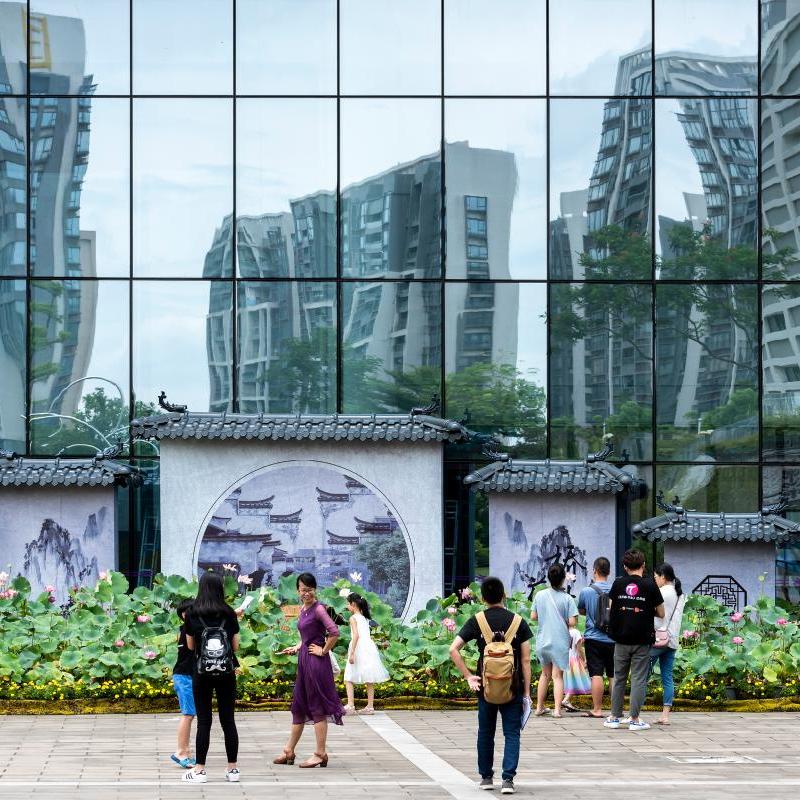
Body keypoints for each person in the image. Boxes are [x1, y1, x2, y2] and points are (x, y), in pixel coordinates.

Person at [450, 576, 532, 795]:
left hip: (485, 687)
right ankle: (508, 780)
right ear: (504, 595)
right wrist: (526, 693)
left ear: (483, 598)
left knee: (486, 732)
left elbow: (453, 649)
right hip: (512, 687)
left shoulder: (477, 620)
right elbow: (525, 661)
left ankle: (486, 777)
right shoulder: (518, 622)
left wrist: (469, 676)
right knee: (512, 733)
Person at [274, 572, 344, 769]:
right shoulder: (303, 609)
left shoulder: (319, 609)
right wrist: (297, 647)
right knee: (299, 706)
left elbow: (334, 632)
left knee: (316, 706)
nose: (306, 593)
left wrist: (323, 650)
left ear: (315, 589)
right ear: (298, 590)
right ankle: (288, 750)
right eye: (303, 590)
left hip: (316, 664)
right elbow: (308, 636)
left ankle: (320, 754)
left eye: (310, 590)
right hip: (305, 661)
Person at [182, 572, 241, 784]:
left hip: (202, 673)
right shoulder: (229, 613)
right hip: (226, 672)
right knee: (228, 720)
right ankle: (232, 770)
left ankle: (199, 770)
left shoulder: (192, 613)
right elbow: (235, 646)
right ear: (220, 589)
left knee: (204, 721)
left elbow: (190, 646)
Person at [604, 549, 665, 732]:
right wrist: (644, 609)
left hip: (621, 638)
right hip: (642, 640)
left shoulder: (618, 583)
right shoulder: (650, 585)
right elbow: (661, 613)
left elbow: (611, 607)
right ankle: (635, 719)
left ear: (625, 566)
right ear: (643, 565)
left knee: (619, 678)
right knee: (638, 679)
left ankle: (614, 717)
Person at [531, 563, 578, 718]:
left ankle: (539, 708)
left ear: (549, 578)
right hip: (559, 641)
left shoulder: (539, 595)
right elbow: (572, 622)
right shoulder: (567, 598)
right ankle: (557, 710)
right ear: (563, 578)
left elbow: (533, 616)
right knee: (557, 676)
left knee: (544, 675)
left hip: (543, 640)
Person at [577, 557, 616, 718]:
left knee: (596, 674)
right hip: (613, 638)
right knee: (613, 674)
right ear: (609, 572)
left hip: (593, 638)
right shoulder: (616, 590)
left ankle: (597, 709)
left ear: (594, 571)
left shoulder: (586, 591)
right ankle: (615, 711)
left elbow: (581, 610)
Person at [650, 563, 686, 726]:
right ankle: (665, 716)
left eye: (656, 577)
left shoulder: (662, 592)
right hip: (671, 641)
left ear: (663, 577)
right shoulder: (679, 594)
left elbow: (655, 615)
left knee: (641, 675)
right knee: (667, 678)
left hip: (657, 639)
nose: (655, 580)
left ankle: (634, 714)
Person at [343, 592, 389, 715]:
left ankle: (350, 705)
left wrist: (352, 652)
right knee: (369, 677)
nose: (347, 606)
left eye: (348, 603)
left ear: (353, 604)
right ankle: (370, 706)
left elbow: (356, 636)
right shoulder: (364, 618)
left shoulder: (353, 618)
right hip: (368, 647)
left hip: (358, 647)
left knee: (348, 676)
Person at [170, 598, 196, 769]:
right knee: (188, 714)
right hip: (184, 677)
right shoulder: (187, 628)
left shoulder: (185, 628)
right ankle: (180, 752)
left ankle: (186, 751)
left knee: (190, 714)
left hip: (186, 676)